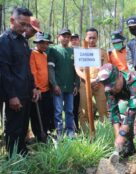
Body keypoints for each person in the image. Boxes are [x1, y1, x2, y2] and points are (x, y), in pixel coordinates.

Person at [0, 7, 40, 156]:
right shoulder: (4, 41)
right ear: (12, 20)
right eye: (22, 24)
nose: (25, 28)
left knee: (23, 126)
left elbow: (26, 69)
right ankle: (13, 159)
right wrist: (11, 96)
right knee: (13, 127)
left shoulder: (23, 41)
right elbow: (4, 71)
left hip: (26, 92)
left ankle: (22, 153)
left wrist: (34, 88)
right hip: (14, 94)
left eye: (27, 25)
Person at [47, 28, 79, 139]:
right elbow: (50, 69)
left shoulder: (73, 51)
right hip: (58, 87)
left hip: (70, 87)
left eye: (67, 36)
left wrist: (77, 84)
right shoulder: (53, 50)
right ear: (58, 36)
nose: (65, 38)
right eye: (63, 36)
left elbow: (77, 69)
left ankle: (70, 132)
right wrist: (54, 84)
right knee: (58, 111)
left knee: (70, 111)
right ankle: (59, 133)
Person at [75, 27, 108, 131]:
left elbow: (105, 68)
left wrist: (97, 80)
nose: (92, 40)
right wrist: (88, 80)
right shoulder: (80, 52)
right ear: (85, 38)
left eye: (94, 38)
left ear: (97, 38)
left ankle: (105, 132)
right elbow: (78, 69)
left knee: (103, 109)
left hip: (99, 84)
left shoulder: (102, 52)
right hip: (84, 84)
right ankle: (86, 133)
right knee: (84, 110)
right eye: (89, 38)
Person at [29, 32, 54, 142]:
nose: (44, 45)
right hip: (37, 90)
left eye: (46, 43)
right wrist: (36, 88)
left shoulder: (45, 55)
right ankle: (39, 136)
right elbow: (33, 72)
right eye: (42, 43)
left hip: (47, 90)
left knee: (47, 113)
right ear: (37, 42)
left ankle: (45, 132)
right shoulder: (32, 54)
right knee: (36, 115)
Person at [70, 33, 81, 132]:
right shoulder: (68, 52)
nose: (74, 41)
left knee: (82, 108)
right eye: (72, 39)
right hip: (73, 85)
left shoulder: (83, 52)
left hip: (85, 84)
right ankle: (74, 128)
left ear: (79, 40)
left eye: (76, 39)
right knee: (73, 108)